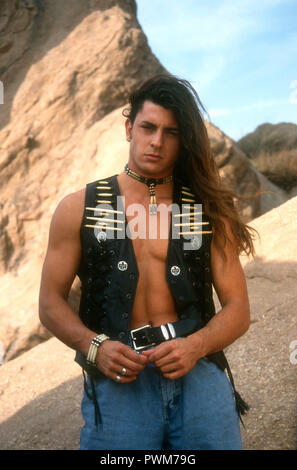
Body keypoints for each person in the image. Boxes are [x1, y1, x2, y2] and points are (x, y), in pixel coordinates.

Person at [39, 74, 257, 450]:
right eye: (148, 127)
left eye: (171, 132)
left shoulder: (207, 211)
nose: (157, 141)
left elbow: (238, 309)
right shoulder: (79, 208)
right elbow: (49, 303)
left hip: (198, 374)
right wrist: (95, 347)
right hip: (120, 382)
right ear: (129, 128)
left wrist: (197, 345)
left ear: (183, 139)